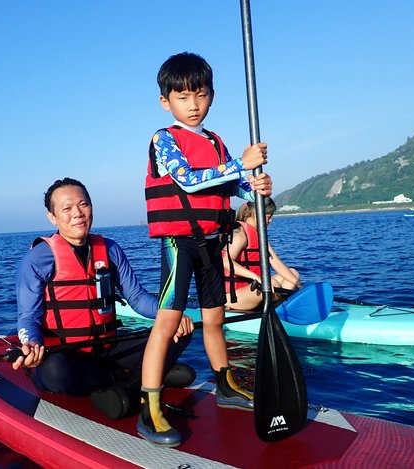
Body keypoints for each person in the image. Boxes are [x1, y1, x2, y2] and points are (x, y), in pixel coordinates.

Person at [140, 52, 273, 446]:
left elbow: (233, 186)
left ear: (211, 95)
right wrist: (240, 165)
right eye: (182, 97)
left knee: (215, 318)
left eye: (200, 95)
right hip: (179, 243)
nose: (193, 104)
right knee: (167, 322)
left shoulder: (215, 142)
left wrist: (256, 187)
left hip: (213, 240)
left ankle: (226, 385)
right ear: (166, 102)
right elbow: (187, 180)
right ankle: (150, 406)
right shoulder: (163, 139)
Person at [14, 177, 195, 420]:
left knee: (179, 331)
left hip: (109, 346)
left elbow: (137, 297)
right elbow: (28, 317)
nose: (78, 213)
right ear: (52, 217)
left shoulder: (110, 249)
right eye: (67, 208)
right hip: (67, 353)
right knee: (55, 373)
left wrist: (170, 316)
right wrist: (32, 344)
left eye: (83, 204)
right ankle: (138, 376)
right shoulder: (37, 259)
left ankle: (125, 387)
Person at [223, 199, 302, 311]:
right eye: (269, 217)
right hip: (232, 296)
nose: (271, 220)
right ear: (257, 215)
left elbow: (275, 261)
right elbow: (226, 262)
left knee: (293, 274)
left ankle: (285, 303)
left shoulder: (260, 235)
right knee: (271, 283)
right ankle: (281, 305)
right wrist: (256, 277)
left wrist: (297, 285)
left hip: (252, 288)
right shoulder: (239, 234)